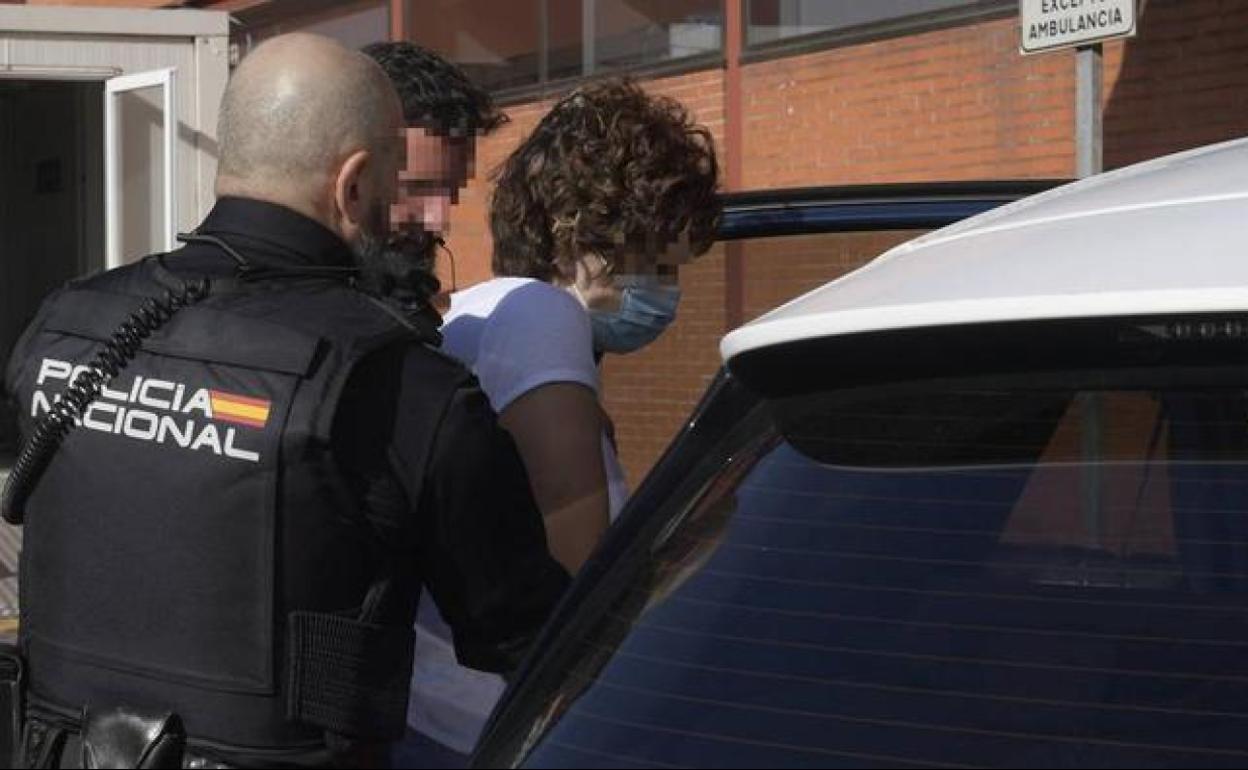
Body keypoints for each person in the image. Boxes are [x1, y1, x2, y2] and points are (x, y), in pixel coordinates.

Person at [0, 33, 568, 769]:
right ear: (353, 183)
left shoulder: (63, 323)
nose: (425, 220)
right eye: (397, 184)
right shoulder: (402, 384)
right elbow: (535, 639)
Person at [405, 77, 720, 764]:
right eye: (650, 261)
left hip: (435, 716)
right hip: (499, 731)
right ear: (569, 232)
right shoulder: (543, 318)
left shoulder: (475, 312)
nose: (665, 292)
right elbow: (580, 594)